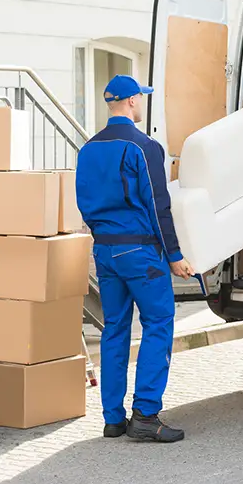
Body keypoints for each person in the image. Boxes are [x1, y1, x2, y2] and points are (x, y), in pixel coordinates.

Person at [75, 74, 194, 443]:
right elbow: (159, 206)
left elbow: (83, 203)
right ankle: (145, 414)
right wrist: (174, 255)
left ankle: (113, 419)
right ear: (130, 102)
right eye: (139, 98)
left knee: (115, 329)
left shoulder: (88, 149)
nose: (141, 103)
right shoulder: (144, 147)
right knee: (159, 322)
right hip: (139, 251)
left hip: (105, 251)